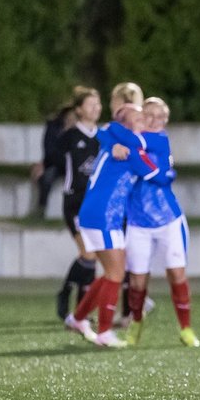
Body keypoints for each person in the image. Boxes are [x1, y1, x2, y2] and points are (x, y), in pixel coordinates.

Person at [64, 83, 147, 348]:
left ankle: (78, 317)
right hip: (103, 215)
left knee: (113, 271)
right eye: (138, 117)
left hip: (100, 214)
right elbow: (152, 170)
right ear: (124, 123)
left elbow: (105, 133)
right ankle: (103, 331)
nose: (143, 121)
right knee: (115, 273)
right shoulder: (124, 140)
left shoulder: (119, 139)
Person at [122, 97, 199, 349]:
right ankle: (135, 321)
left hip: (168, 218)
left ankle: (186, 328)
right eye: (149, 115)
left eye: (159, 117)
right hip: (137, 220)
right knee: (137, 280)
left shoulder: (158, 140)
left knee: (176, 273)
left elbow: (162, 178)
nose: (153, 120)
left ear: (165, 121)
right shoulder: (132, 141)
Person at [53, 87, 103, 320]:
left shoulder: (103, 137)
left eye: (98, 104)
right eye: (91, 104)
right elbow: (52, 158)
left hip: (96, 203)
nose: (96, 108)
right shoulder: (70, 137)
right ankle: (66, 292)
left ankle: (82, 309)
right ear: (79, 110)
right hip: (75, 202)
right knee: (88, 252)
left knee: (92, 257)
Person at [32, 98, 75, 219]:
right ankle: (41, 208)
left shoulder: (78, 131)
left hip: (72, 164)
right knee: (47, 177)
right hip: (55, 163)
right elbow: (49, 151)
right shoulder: (54, 128)